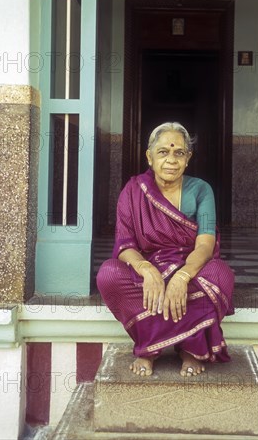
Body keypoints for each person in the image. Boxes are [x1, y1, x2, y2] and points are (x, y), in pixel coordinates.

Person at [97, 122, 234, 377]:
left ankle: (190, 349)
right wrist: (146, 270)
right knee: (109, 275)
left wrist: (182, 276)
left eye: (179, 153)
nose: (171, 159)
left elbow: (205, 244)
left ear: (188, 158)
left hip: (190, 266)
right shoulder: (133, 191)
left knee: (220, 275)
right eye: (163, 152)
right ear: (149, 157)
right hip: (149, 270)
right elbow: (125, 246)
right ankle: (149, 347)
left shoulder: (201, 190)